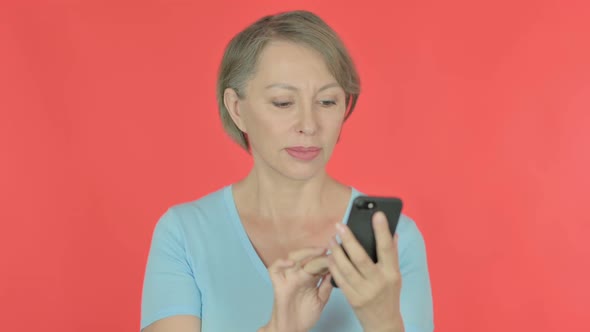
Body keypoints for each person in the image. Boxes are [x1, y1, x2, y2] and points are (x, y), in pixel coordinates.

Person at [140, 9, 434, 332]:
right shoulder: (184, 235)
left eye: (327, 102)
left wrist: (383, 320)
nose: (309, 125)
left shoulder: (395, 240)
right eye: (283, 102)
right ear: (237, 109)